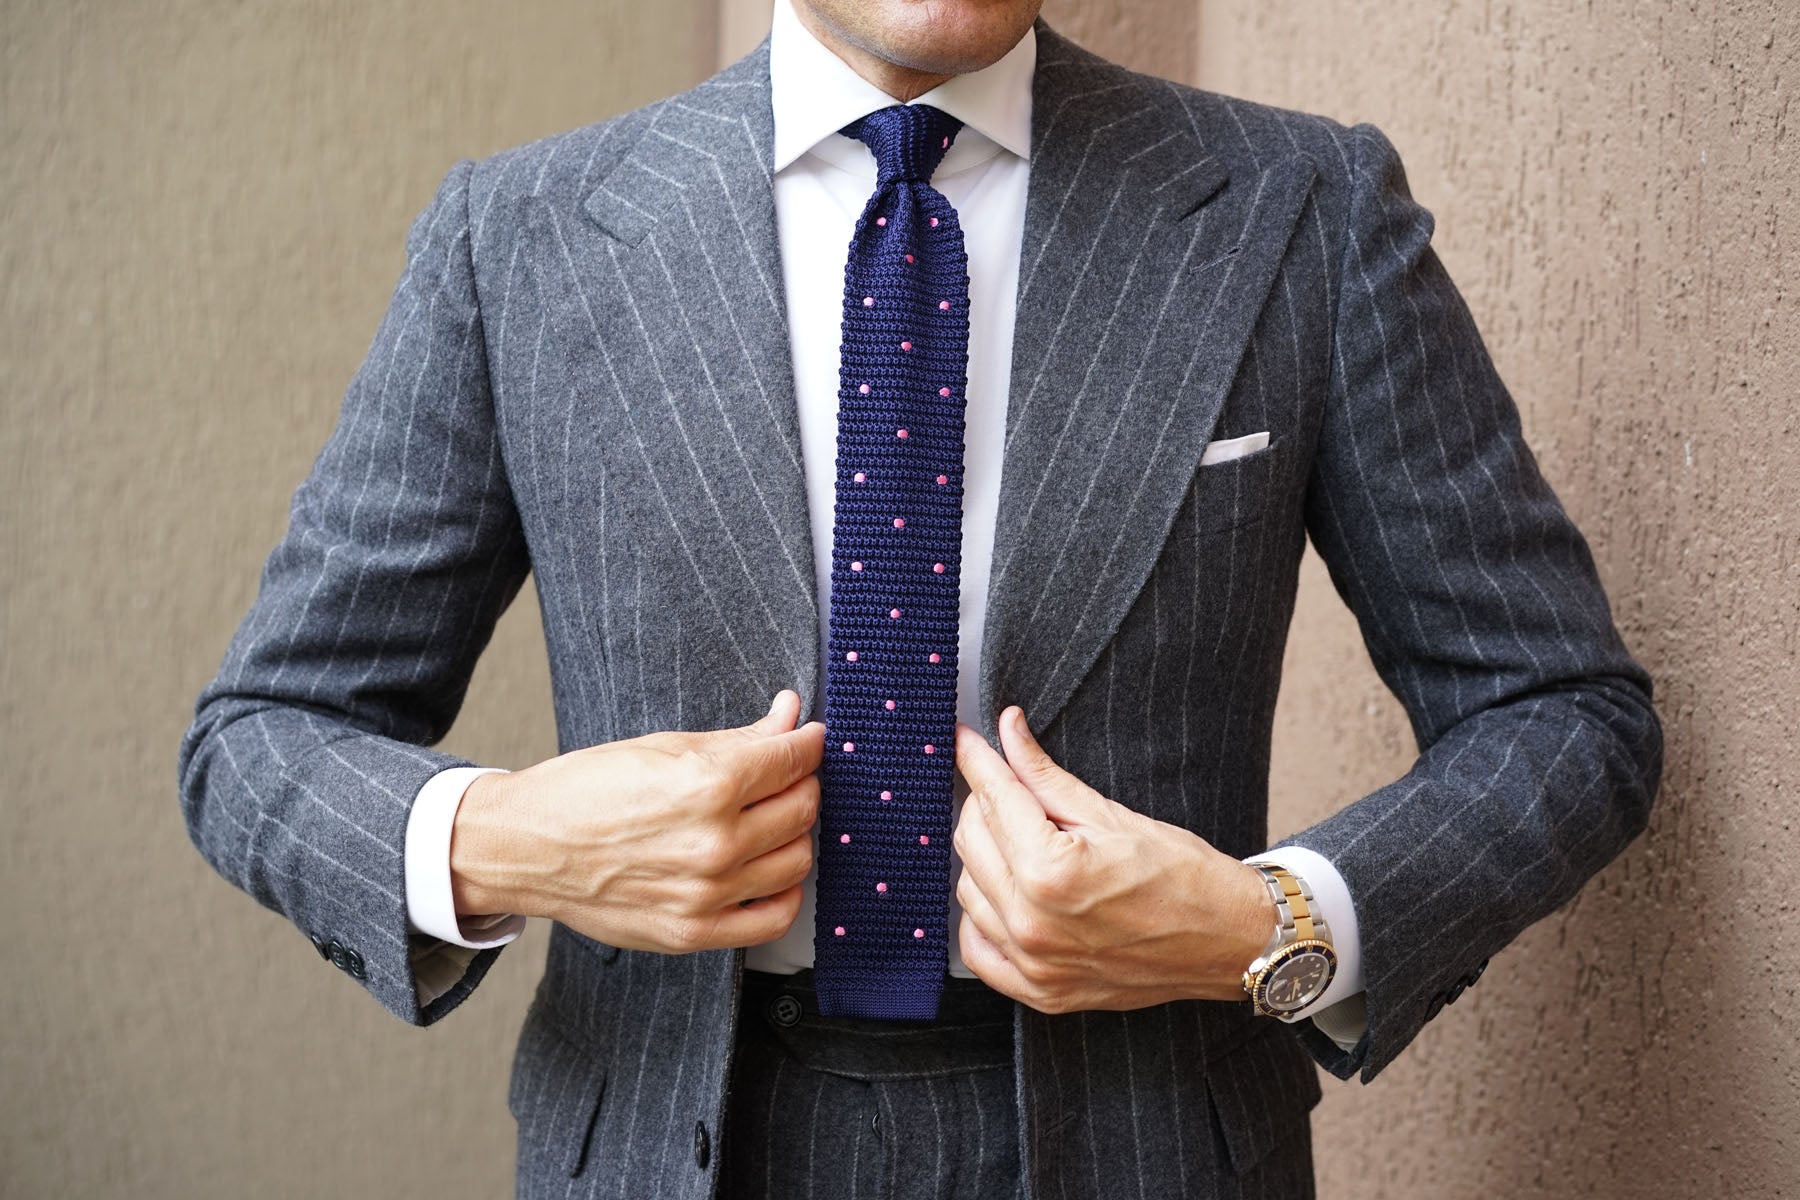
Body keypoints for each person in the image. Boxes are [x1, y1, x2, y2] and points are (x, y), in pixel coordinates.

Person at [176, 0, 1663, 1195]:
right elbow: (262, 734)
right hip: (655, 1142)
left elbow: (1559, 713)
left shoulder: (1304, 209)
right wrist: (510, 838)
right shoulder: (519, 237)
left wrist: (1258, 924)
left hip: (1150, 1141)